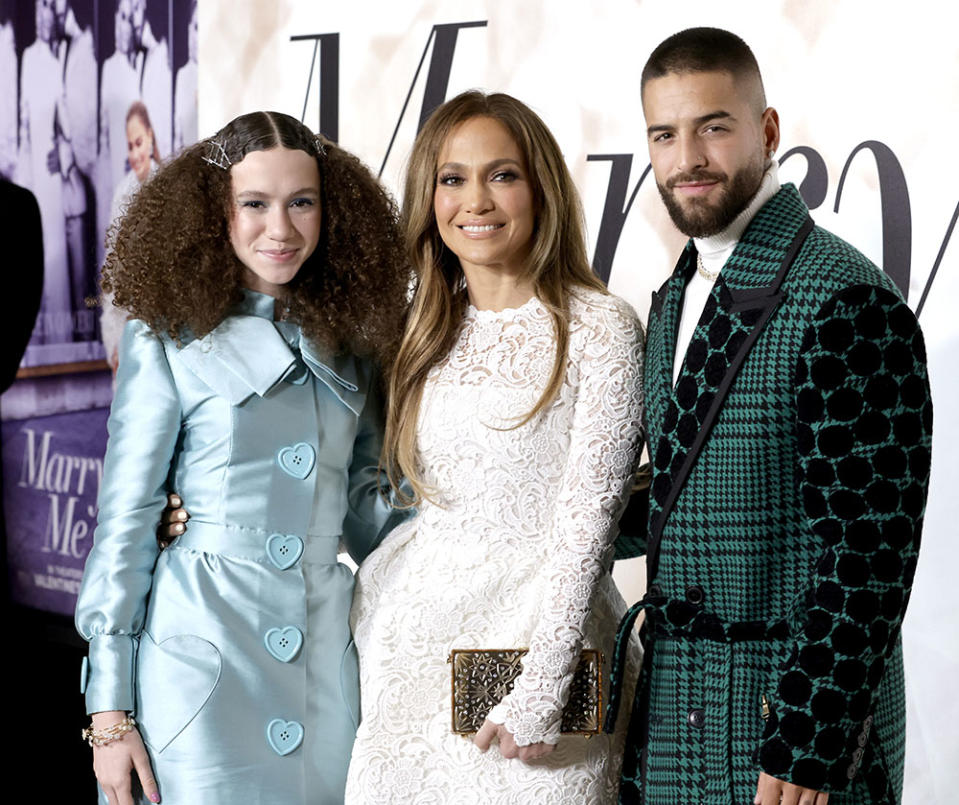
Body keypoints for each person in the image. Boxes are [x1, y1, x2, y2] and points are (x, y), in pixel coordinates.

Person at [603, 28, 933, 805]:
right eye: (663, 133)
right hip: (677, 720)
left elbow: (868, 552)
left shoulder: (844, 299)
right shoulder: (675, 294)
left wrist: (808, 737)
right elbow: (685, 494)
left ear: (768, 131)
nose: (687, 157)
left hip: (780, 737)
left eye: (712, 126)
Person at [74, 111, 410, 805]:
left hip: (325, 668)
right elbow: (127, 524)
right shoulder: (163, 334)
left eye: (302, 202)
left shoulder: (357, 339)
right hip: (198, 662)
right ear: (212, 212)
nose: (280, 229)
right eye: (253, 203)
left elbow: (365, 510)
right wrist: (108, 715)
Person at [343, 91, 644, 803]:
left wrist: (543, 682)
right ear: (429, 194)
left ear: (540, 189)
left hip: (545, 649)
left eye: (502, 175)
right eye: (452, 178)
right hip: (412, 652)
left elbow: (585, 530)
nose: (474, 199)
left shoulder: (598, 328)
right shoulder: (416, 328)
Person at [100, 100, 162, 373]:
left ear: (150, 136)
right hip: (127, 319)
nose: (135, 153)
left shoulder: (168, 189)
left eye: (139, 142)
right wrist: (114, 340)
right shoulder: (122, 193)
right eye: (130, 146)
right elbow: (113, 269)